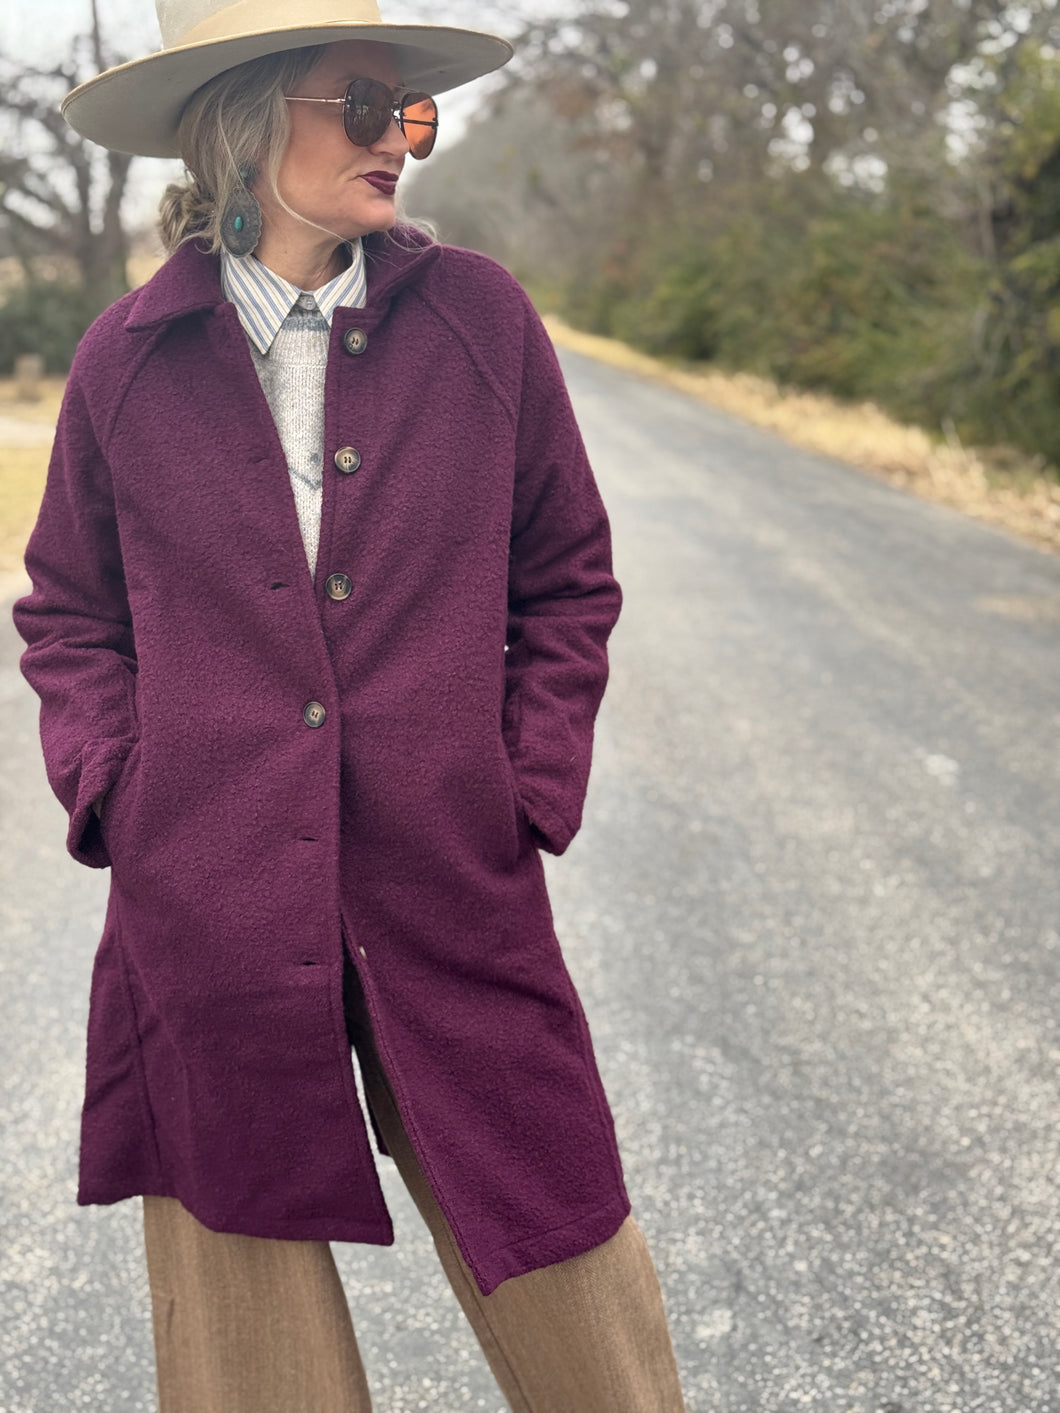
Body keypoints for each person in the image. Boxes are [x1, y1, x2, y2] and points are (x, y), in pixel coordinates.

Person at [13, 0, 687, 1408]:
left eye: (413, 115)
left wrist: (523, 781)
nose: (402, 143)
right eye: (368, 107)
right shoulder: (126, 364)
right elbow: (70, 611)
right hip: (203, 907)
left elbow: (566, 579)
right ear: (251, 122)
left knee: (583, 1289)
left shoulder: (483, 321)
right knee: (247, 1348)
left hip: (454, 881)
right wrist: (120, 789)